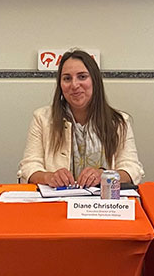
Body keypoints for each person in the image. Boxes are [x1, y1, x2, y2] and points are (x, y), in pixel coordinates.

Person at [19, 49, 144, 187]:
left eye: (82, 77)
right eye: (67, 78)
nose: (74, 85)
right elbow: (28, 167)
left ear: (95, 81)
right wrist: (49, 177)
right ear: (60, 84)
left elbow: (132, 169)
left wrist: (105, 176)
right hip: (58, 198)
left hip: (103, 199)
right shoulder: (42, 118)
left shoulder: (119, 122)